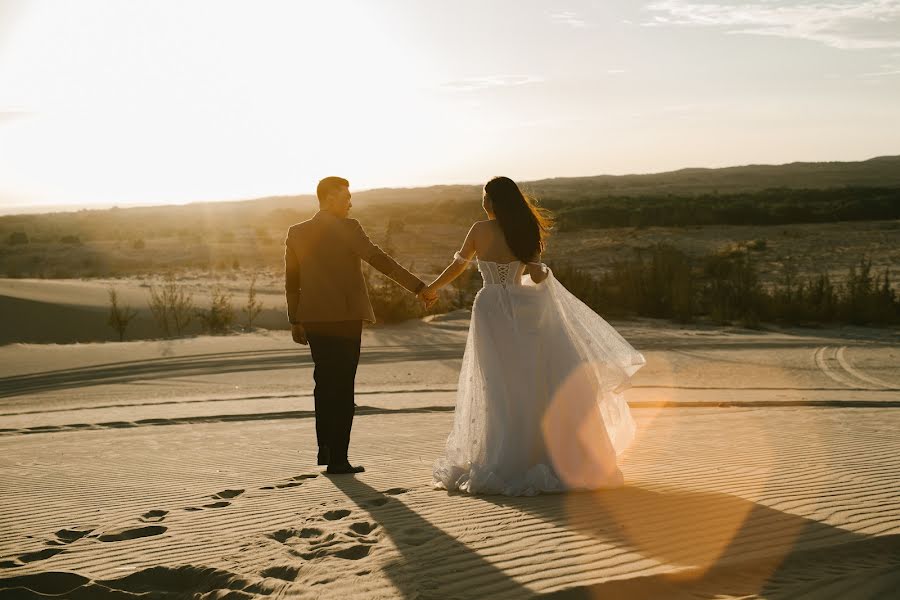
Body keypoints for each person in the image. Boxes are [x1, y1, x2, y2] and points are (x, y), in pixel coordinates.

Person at [426, 176, 645, 496]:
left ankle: (507, 455)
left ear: (496, 201)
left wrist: (431, 289)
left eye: (486, 197)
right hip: (524, 308)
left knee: (498, 383)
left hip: (489, 309)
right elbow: (535, 273)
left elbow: (458, 266)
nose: (483, 202)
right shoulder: (525, 228)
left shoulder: (478, 229)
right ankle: (541, 451)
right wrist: (546, 285)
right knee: (532, 379)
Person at [284, 176, 437, 475]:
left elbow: (292, 281)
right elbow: (380, 260)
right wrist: (418, 287)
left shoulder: (296, 232)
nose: (350, 203)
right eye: (345, 197)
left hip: (313, 317)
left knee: (323, 382)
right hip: (344, 318)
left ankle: (325, 449)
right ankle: (339, 459)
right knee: (342, 386)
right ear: (328, 198)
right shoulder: (349, 229)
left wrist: (294, 318)